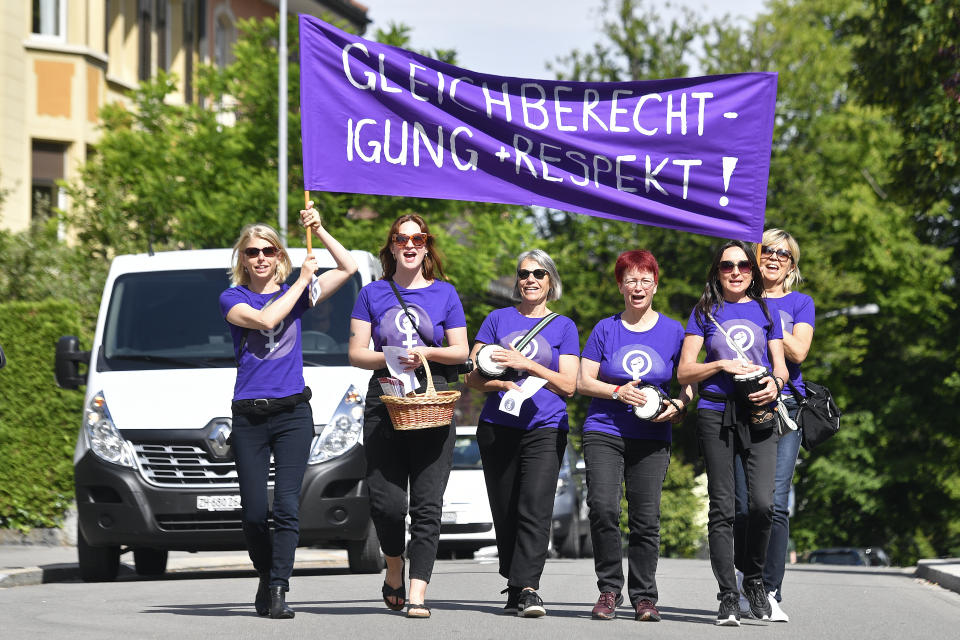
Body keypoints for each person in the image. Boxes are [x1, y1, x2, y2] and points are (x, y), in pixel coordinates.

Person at [220, 204, 357, 618]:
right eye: (252, 252)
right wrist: (301, 280)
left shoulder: (296, 292)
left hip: (293, 413)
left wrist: (320, 227)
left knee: (286, 505)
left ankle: (279, 587)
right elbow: (264, 320)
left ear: (279, 255)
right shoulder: (233, 297)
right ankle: (266, 573)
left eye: (268, 251)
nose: (260, 258)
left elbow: (348, 266)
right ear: (241, 259)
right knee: (254, 511)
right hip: (249, 415)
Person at [348, 215, 469, 619]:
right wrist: (391, 356)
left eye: (418, 238)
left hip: (433, 403)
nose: (411, 244)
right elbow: (356, 353)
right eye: (402, 238)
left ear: (427, 245)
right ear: (393, 246)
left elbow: (460, 352)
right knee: (387, 503)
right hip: (385, 402)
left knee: (428, 504)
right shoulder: (372, 293)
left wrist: (427, 354)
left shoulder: (445, 294)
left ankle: (417, 592)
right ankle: (394, 566)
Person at [576, 250, 693, 622]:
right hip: (604, 431)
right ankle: (609, 590)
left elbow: (687, 383)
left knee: (645, 519)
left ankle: (645, 597)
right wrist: (615, 392)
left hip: (652, 436)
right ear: (620, 286)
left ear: (655, 286)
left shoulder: (674, 330)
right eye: (630, 280)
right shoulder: (605, 328)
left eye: (645, 280)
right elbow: (582, 380)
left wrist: (680, 404)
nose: (637, 287)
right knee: (604, 508)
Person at [677, 240, 789, 627]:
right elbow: (685, 372)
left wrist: (775, 384)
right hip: (713, 412)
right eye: (728, 265)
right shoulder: (704, 311)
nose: (736, 271)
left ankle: (753, 578)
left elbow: (782, 367)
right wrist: (719, 364)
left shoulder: (766, 309)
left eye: (743, 265)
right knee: (722, 508)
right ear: (718, 271)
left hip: (759, 412)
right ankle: (727, 595)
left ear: (752, 271)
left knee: (762, 505)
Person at [464, 249, 580, 618]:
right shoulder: (497, 318)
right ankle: (514, 583)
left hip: (544, 427)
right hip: (498, 426)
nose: (530, 279)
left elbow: (569, 385)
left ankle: (529, 588)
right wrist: (496, 383)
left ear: (551, 282)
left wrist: (526, 364)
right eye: (524, 273)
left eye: (539, 274)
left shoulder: (564, 326)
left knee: (534, 505)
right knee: (505, 507)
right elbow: (472, 375)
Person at [733, 229, 814, 622]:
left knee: (775, 503)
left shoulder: (800, 303)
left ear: (792, 264)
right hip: (738, 406)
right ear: (755, 255)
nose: (775, 257)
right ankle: (743, 578)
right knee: (743, 504)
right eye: (768, 250)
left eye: (784, 253)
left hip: (785, 409)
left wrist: (764, 319)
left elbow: (798, 350)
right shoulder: (735, 295)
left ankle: (769, 588)